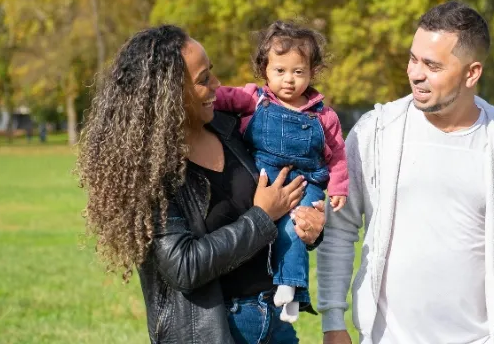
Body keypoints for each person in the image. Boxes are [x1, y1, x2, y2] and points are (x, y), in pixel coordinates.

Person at [75, 25, 327, 344]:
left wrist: (310, 224)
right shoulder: (151, 172)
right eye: (203, 79)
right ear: (169, 94)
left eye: (212, 73)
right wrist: (261, 216)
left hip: (275, 322)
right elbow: (183, 266)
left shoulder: (233, 130)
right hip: (211, 332)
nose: (217, 85)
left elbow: (288, 190)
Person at [317, 1, 494, 344]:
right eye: (413, 58)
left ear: (472, 73)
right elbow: (340, 227)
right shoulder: (375, 132)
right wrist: (333, 320)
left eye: (432, 65)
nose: (415, 73)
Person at [213, 20, 348, 324]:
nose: (289, 80)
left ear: (312, 72)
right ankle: (285, 289)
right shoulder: (254, 98)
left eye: (298, 72)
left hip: (305, 182)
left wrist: (338, 187)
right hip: (263, 177)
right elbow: (220, 96)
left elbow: (338, 154)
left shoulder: (323, 115)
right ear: (265, 71)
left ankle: (291, 288)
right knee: (262, 230)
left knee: (294, 229)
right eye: (280, 71)